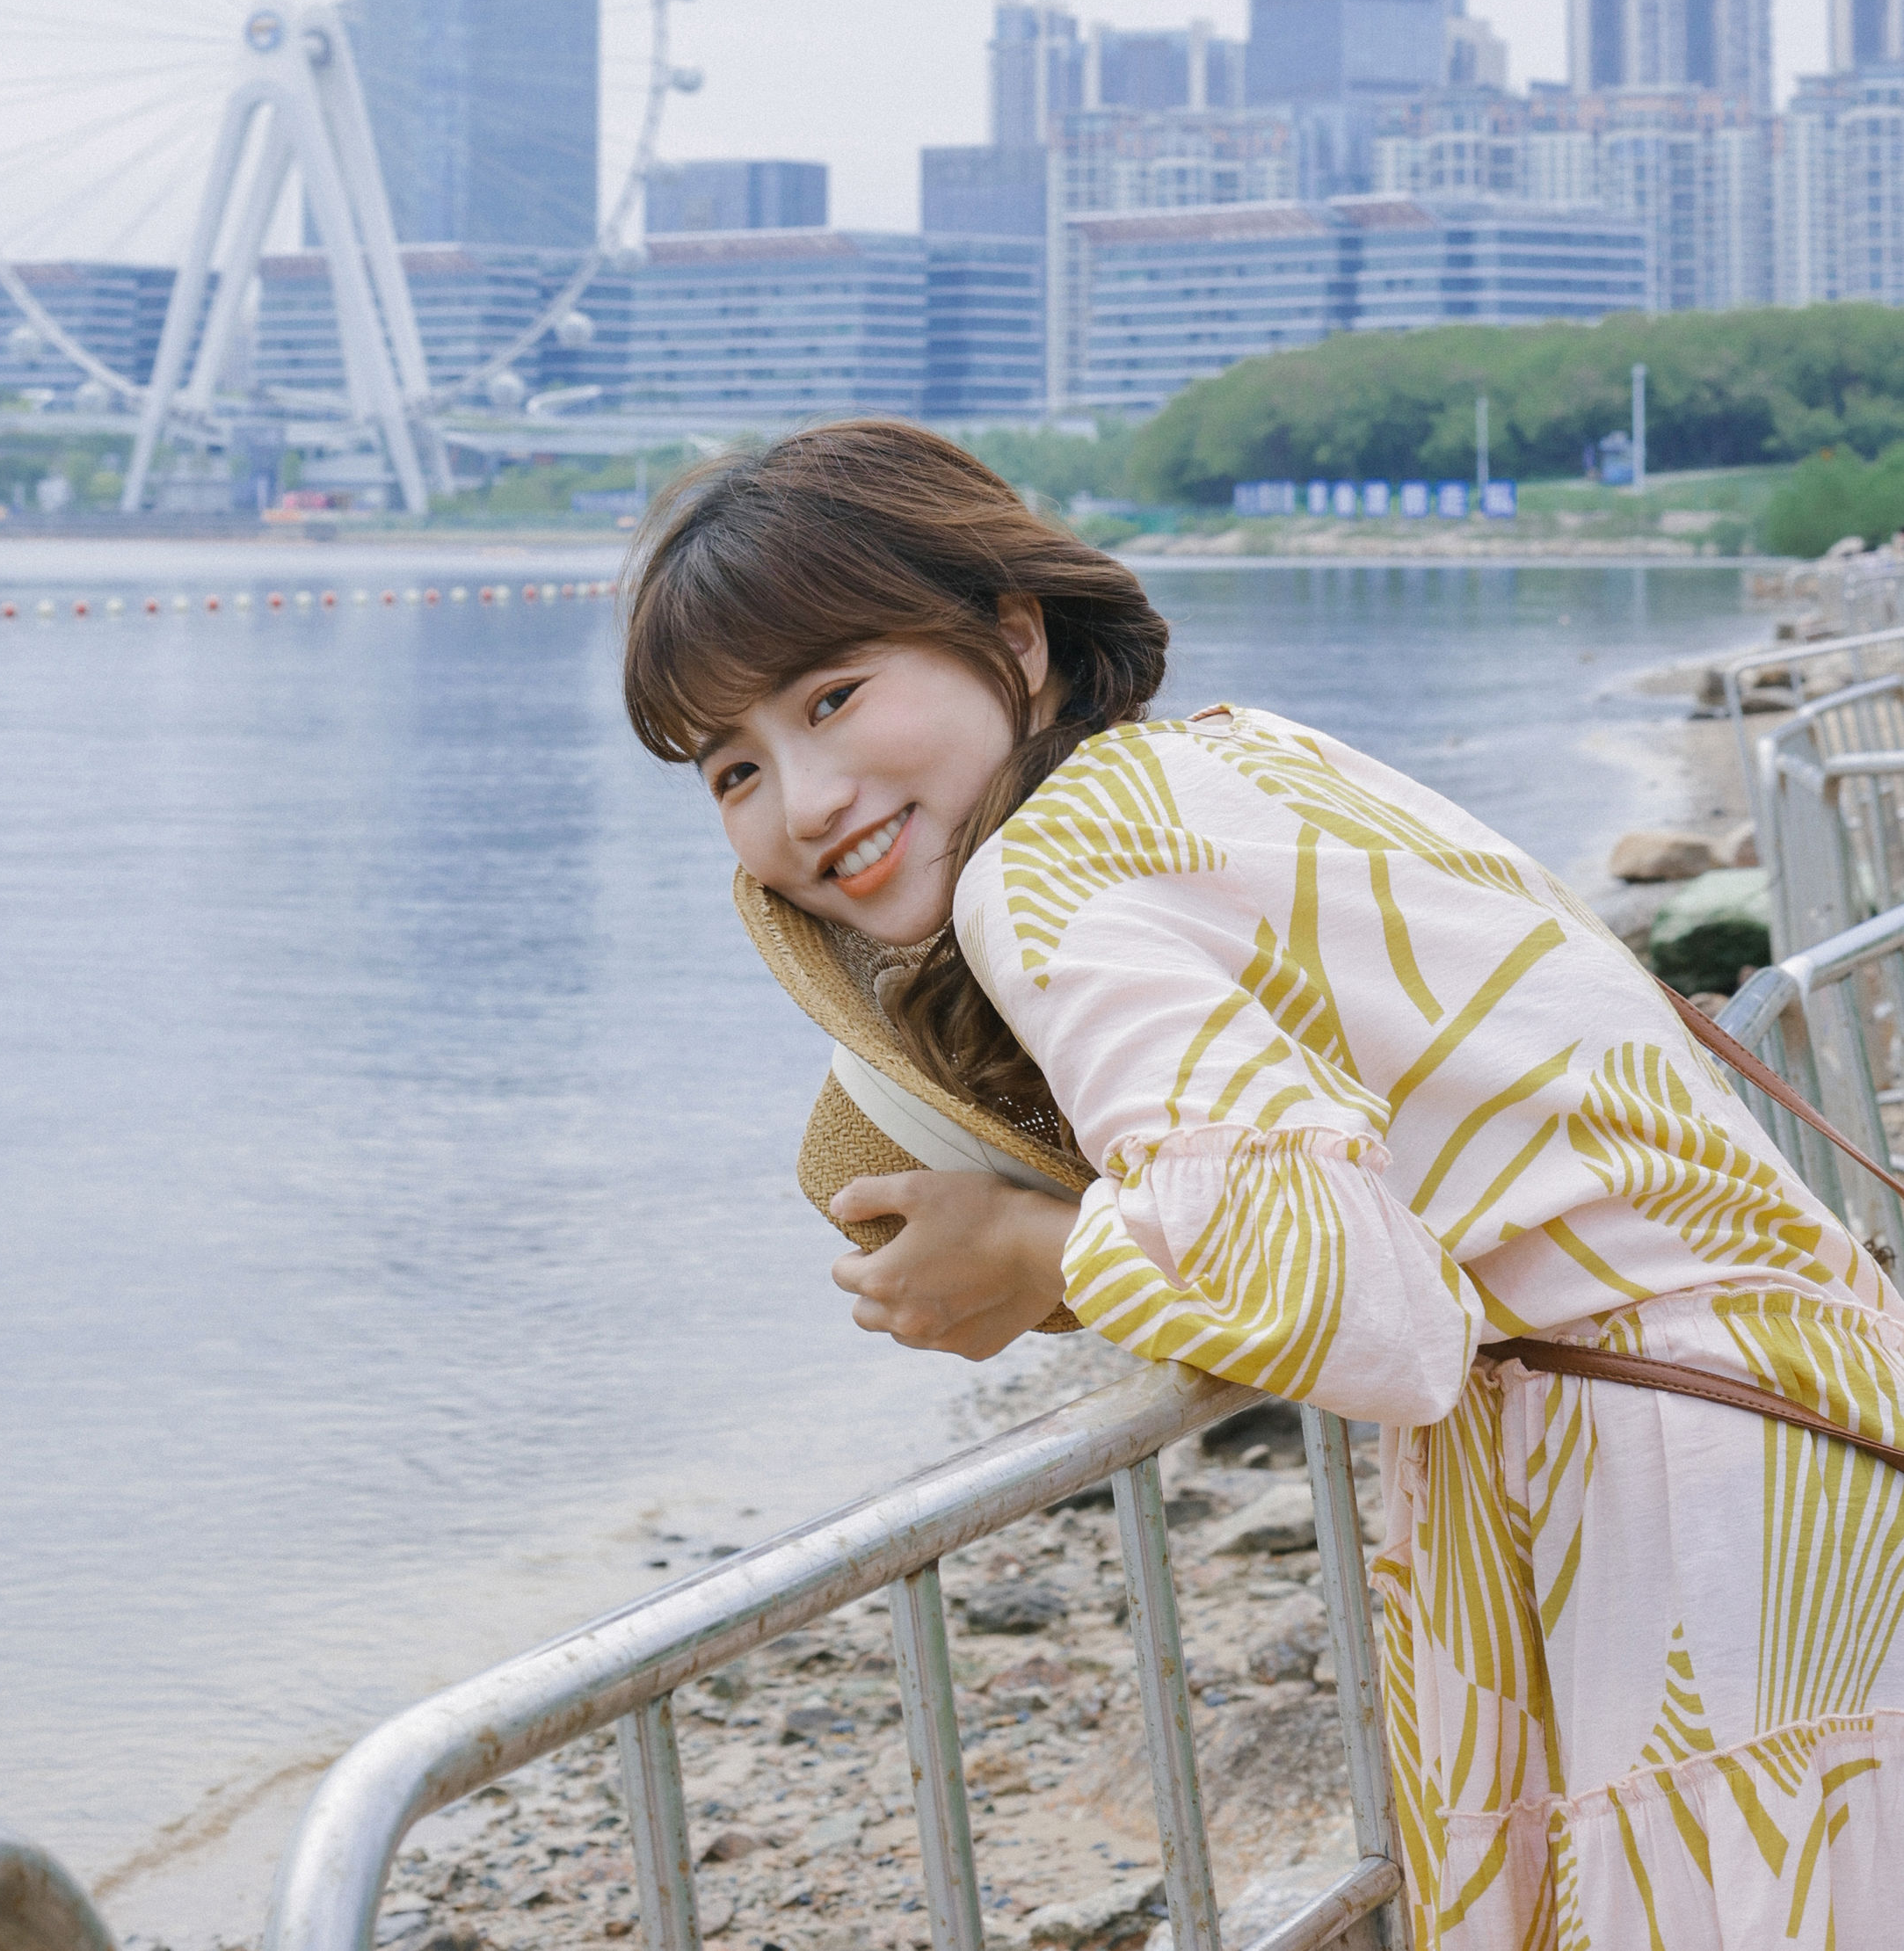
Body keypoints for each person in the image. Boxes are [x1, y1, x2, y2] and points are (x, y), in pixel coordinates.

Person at [621, 417, 1904, 1951]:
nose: (807, 798)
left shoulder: (1037, 875)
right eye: (734, 766)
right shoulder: (1225, 753)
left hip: (1694, 1485)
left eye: (835, 695)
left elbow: (1372, 1314)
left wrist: (1046, 1250)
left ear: (1011, 636)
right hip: (1796, 1401)